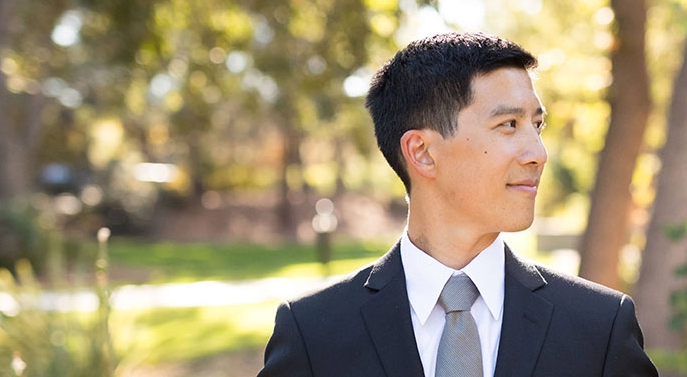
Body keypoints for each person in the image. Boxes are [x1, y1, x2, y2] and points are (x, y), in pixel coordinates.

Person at [258, 32, 658, 377]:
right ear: (422, 152)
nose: (538, 153)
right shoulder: (312, 334)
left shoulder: (599, 327)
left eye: (537, 125)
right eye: (508, 125)